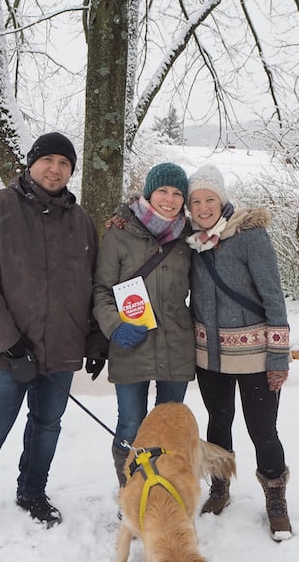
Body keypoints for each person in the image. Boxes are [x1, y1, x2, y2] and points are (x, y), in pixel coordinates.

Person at [0, 132, 108, 550]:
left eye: (64, 163)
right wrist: (11, 345)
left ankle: (31, 492)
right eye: (48, 160)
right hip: (4, 355)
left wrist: (95, 338)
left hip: (61, 352)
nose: (55, 169)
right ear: (31, 163)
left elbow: (92, 286)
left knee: (46, 427)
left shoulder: (80, 220)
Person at [186, 163, 293, 542]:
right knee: (218, 424)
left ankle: (276, 500)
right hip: (209, 356)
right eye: (195, 200)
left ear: (222, 199)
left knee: (262, 429)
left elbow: (273, 297)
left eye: (209, 199)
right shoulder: (191, 240)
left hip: (254, 356)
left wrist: (279, 356)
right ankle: (220, 487)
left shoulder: (249, 235)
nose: (202, 207)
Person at [92, 162, 195, 487]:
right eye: (163, 191)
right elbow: (101, 291)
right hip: (130, 344)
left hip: (175, 346)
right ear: (150, 193)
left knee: (170, 426)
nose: (170, 199)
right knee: (131, 424)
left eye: (178, 193)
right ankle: (130, 488)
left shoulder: (190, 239)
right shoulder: (120, 233)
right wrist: (114, 326)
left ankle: (165, 485)